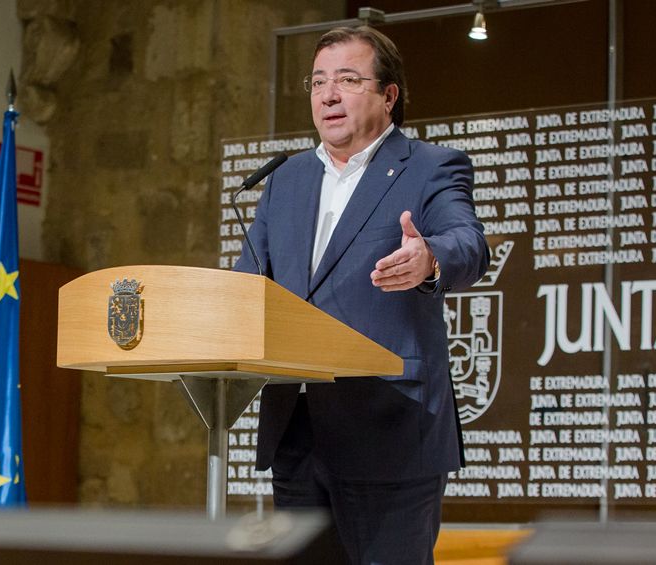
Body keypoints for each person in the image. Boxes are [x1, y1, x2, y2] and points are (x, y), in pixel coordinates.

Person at [233, 25, 490, 564]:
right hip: (296, 434)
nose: (328, 95)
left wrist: (429, 257)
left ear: (388, 95)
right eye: (318, 82)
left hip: (389, 431)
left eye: (348, 80)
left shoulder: (430, 166)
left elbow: (468, 243)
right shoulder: (286, 179)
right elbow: (247, 282)